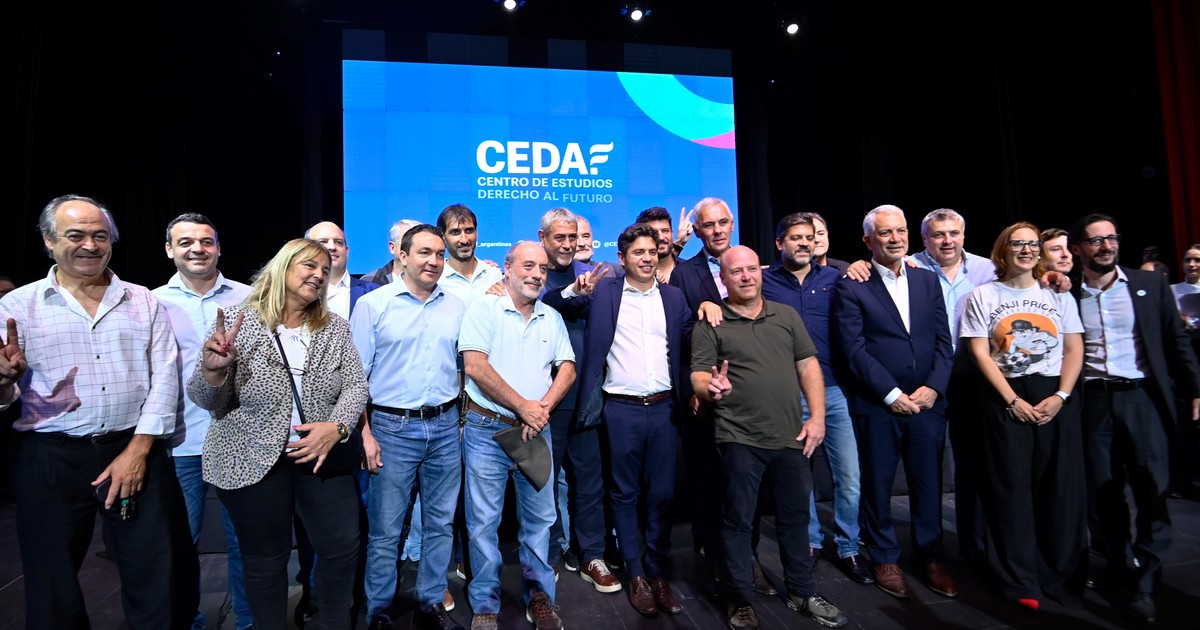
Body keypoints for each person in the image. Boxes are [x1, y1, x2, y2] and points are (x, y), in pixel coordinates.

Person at [0, 194, 196, 629]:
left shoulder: (142, 300)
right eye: (75, 235)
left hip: (135, 449)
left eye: (100, 236)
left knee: (157, 577)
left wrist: (138, 451)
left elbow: (165, 378)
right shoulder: (17, 307)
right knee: (51, 585)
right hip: (51, 457)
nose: (89, 245)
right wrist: (2, 379)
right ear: (49, 240)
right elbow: (4, 393)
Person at [188, 238, 369, 630]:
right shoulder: (237, 321)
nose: (319, 275)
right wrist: (213, 370)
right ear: (283, 267)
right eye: (309, 266)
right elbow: (207, 399)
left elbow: (356, 386)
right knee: (264, 560)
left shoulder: (334, 328)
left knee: (341, 551)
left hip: (320, 456)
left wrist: (336, 427)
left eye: (325, 270)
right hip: (250, 457)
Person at [691, 245, 848, 629]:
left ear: (760, 271)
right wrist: (712, 388)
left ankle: (802, 592)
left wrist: (818, 418)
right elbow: (698, 375)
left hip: (792, 436)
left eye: (751, 269)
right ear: (723, 279)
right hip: (738, 438)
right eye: (736, 272)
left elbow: (808, 365)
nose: (745, 277)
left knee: (795, 521)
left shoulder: (786, 315)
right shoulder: (711, 322)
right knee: (738, 523)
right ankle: (740, 599)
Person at [542, 223, 694, 616]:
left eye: (652, 252)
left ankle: (658, 572)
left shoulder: (674, 297)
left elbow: (690, 342)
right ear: (622, 258)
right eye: (638, 252)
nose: (647, 258)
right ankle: (636, 574)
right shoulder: (604, 291)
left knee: (662, 494)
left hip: (665, 409)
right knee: (624, 494)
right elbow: (550, 304)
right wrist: (574, 291)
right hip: (620, 409)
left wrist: (711, 309)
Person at [1068, 215, 1200, 622]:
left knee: (1151, 491)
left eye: (1112, 238)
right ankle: (1119, 563)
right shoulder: (1065, 291)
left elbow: (1176, 341)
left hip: (1143, 399)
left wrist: (1196, 389)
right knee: (1104, 493)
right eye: (1096, 240)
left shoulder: (1149, 284)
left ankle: (1147, 584)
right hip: (1093, 402)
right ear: (1078, 248)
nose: (1106, 246)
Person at [831, 205, 957, 600]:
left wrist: (934, 387)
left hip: (927, 404)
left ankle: (931, 556)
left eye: (900, 230)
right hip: (878, 404)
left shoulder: (926, 281)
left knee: (928, 483)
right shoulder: (852, 285)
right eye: (885, 233)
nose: (895, 238)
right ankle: (884, 556)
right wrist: (892, 394)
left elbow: (943, 341)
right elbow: (853, 350)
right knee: (878, 483)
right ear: (868, 240)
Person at [959, 222, 1086, 610]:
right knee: (1010, 491)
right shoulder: (982, 295)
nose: (1027, 250)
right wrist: (1011, 400)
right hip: (1005, 397)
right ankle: (1018, 579)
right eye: (1018, 244)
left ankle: (1059, 576)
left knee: (1059, 490)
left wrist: (1062, 395)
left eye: (1033, 244)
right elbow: (979, 353)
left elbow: (1074, 347)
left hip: (1054, 396)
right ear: (1003, 250)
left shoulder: (1057, 293)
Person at [351, 225, 465, 630]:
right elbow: (355, 379)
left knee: (440, 525)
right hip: (391, 428)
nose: (434, 261)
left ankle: (430, 604)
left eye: (440, 254)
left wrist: (459, 421)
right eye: (424, 253)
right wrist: (364, 434)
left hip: (445, 426)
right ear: (402, 256)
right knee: (386, 531)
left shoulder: (456, 306)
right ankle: (379, 613)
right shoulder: (373, 305)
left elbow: (462, 367)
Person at [459, 241, 576, 630]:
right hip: (487, 430)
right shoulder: (484, 308)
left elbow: (568, 368)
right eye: (528, 266)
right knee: (483, 523)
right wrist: (523, 406)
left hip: (535, 429)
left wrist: (540, 409)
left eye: (542, 268)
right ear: (506, 268)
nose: (537, 274)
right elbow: (475, 366)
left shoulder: (551, 317)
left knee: (541, 520)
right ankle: (485, 603)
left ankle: (540, 596)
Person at [153, 212, 254, 630]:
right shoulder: (151, 302)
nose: (197, 249)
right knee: (181, 543)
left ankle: (249, 621)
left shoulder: (250, 297)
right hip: (181, 441)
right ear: (169, 250)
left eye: (206, 241)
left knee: (245, 541)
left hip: (240, 440)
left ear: (218, 248)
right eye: (186, 242)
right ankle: (188, 621)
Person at [761, 213, 872, 584]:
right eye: (796, 238)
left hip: (833, 390)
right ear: (780, 243)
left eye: (809, 237)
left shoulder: (837, 278)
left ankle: (848, 546)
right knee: (799, 479)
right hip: (788, 393)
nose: (804, 243)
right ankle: (809, 541)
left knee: (849, 477)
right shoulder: (763, 280)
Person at [536, 208, 617, 592]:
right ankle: (549, 555)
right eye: (560, 238)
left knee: (590, 484)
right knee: (545, 486)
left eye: (573, 237)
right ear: (543, 238)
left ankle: (591, 555)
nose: (568, 245)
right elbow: (544, 302)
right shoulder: (534, 273)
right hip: (545, 402)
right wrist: (572, 293)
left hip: (588, 398)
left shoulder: (596, 275)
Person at [1169, 243, 1200, 498]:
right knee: (1185, 424)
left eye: (1197, 260)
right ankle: (1180, 481)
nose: (1191, 264)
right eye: (1187, 259)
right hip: (1184, 363)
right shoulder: (1172, 291)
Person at [305, 221, 380, 319]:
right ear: (306, 250)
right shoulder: (296, 293)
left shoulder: (375, 292)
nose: (332, 247)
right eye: (323, 242)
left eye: (338, 242)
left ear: (347, 251)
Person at [438, 203, 503, 300]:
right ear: (443, 238)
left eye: (469, 231)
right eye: (455, 232)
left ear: (476, 234)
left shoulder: (493, 274)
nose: (464, 240)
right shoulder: (436, 277)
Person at [636, 206, 694, 284]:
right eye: (654, 233)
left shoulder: (690, 270)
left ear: (672, 233)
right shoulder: (633, 275)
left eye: (665, 231)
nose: (661, 237)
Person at [361, 219, 421, 286]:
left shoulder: (430, 281)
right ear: (392, 247)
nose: (415, 247)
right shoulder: (369, 281)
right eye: (408, 241)